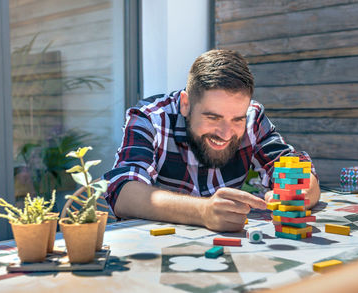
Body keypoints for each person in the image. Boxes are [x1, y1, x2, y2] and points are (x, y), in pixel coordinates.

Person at [102, 49, 320, 231]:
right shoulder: (149, 118)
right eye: (213, 117)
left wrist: (294, 195)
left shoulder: (252, 117)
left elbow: (298, 169)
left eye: (236, 119)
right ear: (186, 104)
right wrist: (203, 211)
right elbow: (123, 193)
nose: (226, 133)